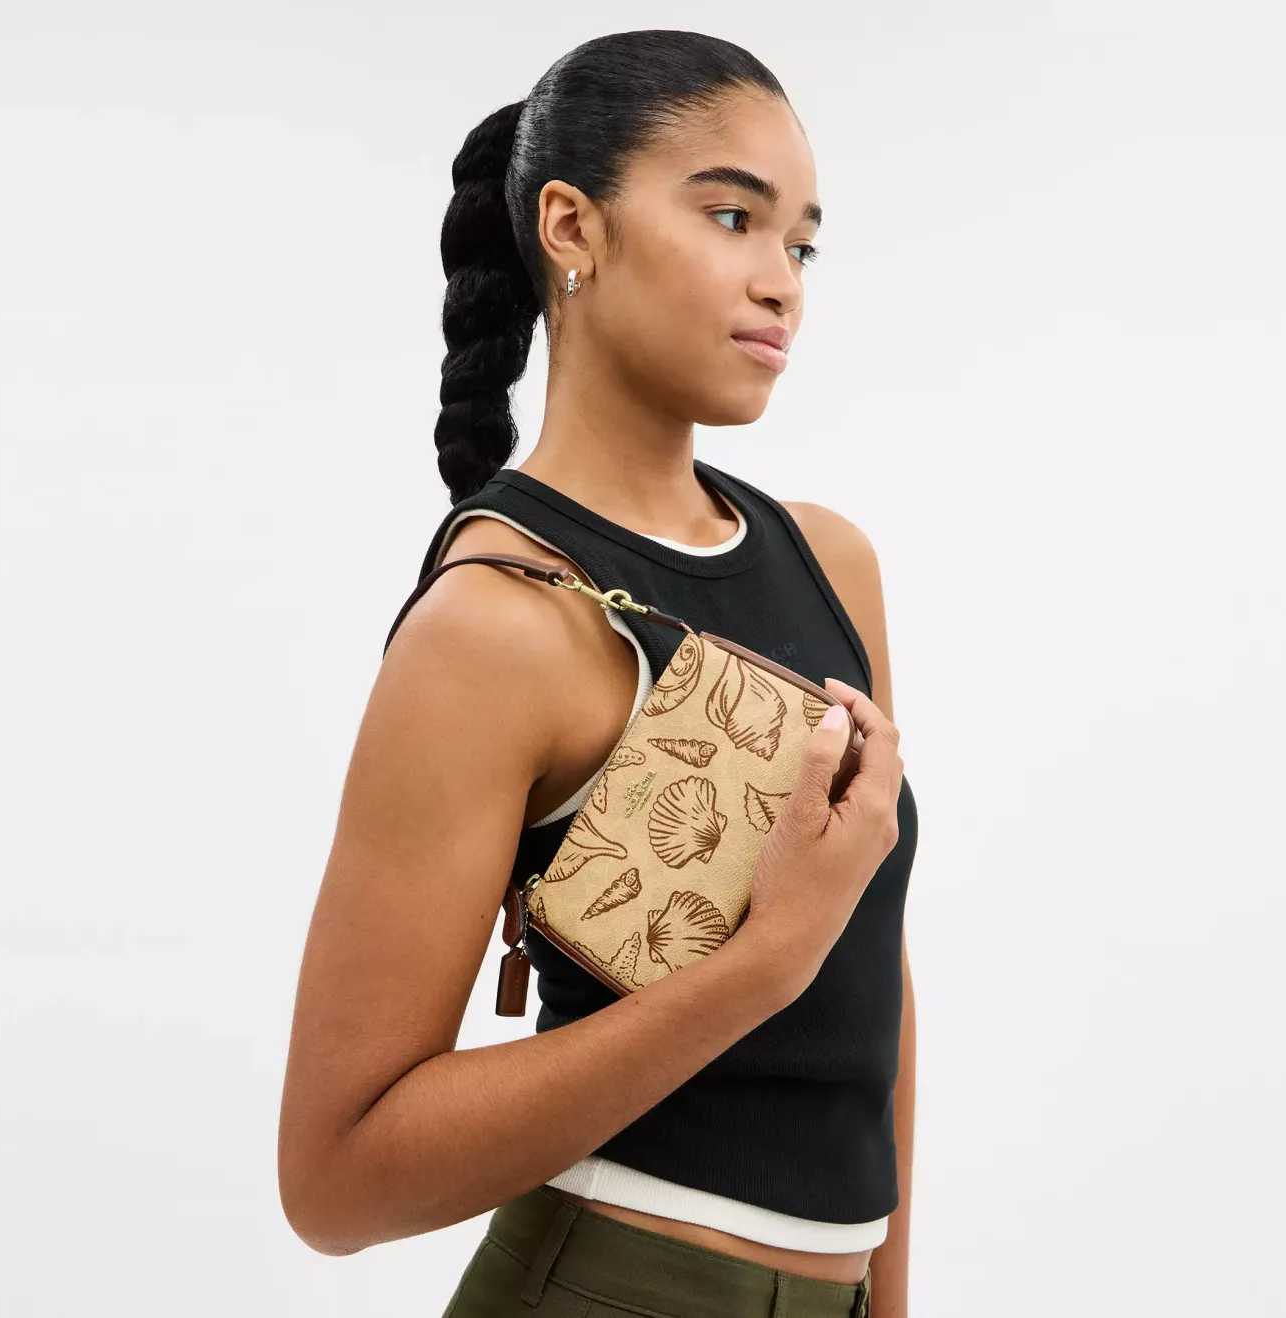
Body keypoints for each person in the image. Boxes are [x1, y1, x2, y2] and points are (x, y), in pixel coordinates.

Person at [278, 29, 919, 1318]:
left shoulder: (829, 564)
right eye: (732, 217)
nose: (781, 283)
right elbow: (335, 1180)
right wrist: (762, 963)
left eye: (799, 245)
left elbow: (877, 989)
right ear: (572, 226)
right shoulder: (494, 627)